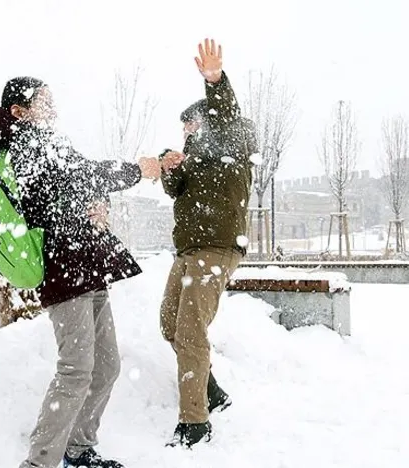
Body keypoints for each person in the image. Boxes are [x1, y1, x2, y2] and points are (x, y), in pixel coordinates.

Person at [0, 77, 162, 468]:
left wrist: (99, 202)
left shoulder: (50, 143)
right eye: (44, 102)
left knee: (107, 366)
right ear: (20, 111)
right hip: (64, 269)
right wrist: (134, 170)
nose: (53, 108)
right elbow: (75, 176)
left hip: (89, 265)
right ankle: (40, 462)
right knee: (76, 370)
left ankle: (79, 449)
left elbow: (78, 181)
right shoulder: (21, 144)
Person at [156, 38, 257, 448]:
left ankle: (194, 423)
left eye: (192, 124)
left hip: (216, 249)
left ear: (208, 121)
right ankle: (211, 390)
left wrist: (214, 80)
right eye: (184, 128)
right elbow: (174, 189)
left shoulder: (233, 143)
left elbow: (227, 116)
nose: (187, 132)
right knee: (169, 324)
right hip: (189, 251)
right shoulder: (193, 159)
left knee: (191, 331)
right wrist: (167, 164)